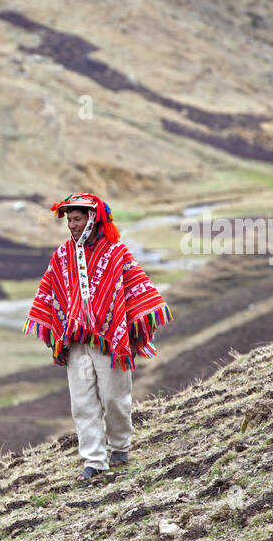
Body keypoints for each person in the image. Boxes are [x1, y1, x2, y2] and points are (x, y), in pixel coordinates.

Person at [24, 192, 171, 480]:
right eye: (69, 220)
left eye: (77, 219)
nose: (72, 225)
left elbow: (137, 289)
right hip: (76, 340)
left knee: (115, 397)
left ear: (92, 219)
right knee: (82, 402)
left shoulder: (117, 252)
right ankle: (93, 460)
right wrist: (58, 327)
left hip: (111, 341)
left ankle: (119, 446)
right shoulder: (62, 255)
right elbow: (50, 293)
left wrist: (130, 326)